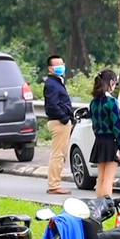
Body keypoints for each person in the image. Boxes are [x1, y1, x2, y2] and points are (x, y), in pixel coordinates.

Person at [89, 69, 120, 198]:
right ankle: (106, 207)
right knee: (109, 179)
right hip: (111, 142)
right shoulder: (111, 102)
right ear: (111, 82)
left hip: (99, 141)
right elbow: (116, 126)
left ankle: (98, 206)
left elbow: (93, 124)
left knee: (101, 177)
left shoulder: (93, 102)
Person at [44, 55, 74, 195]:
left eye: (62, 64)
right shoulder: (51, 84)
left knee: (60, 154)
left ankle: (55, 183)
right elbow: (52, 105)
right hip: (59, 122)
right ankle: (54, 185)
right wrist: (64, 118)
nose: (60, 67)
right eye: (57, 65)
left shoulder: (57, 82)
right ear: (50, 68)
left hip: (61, 121)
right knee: (58, 154)